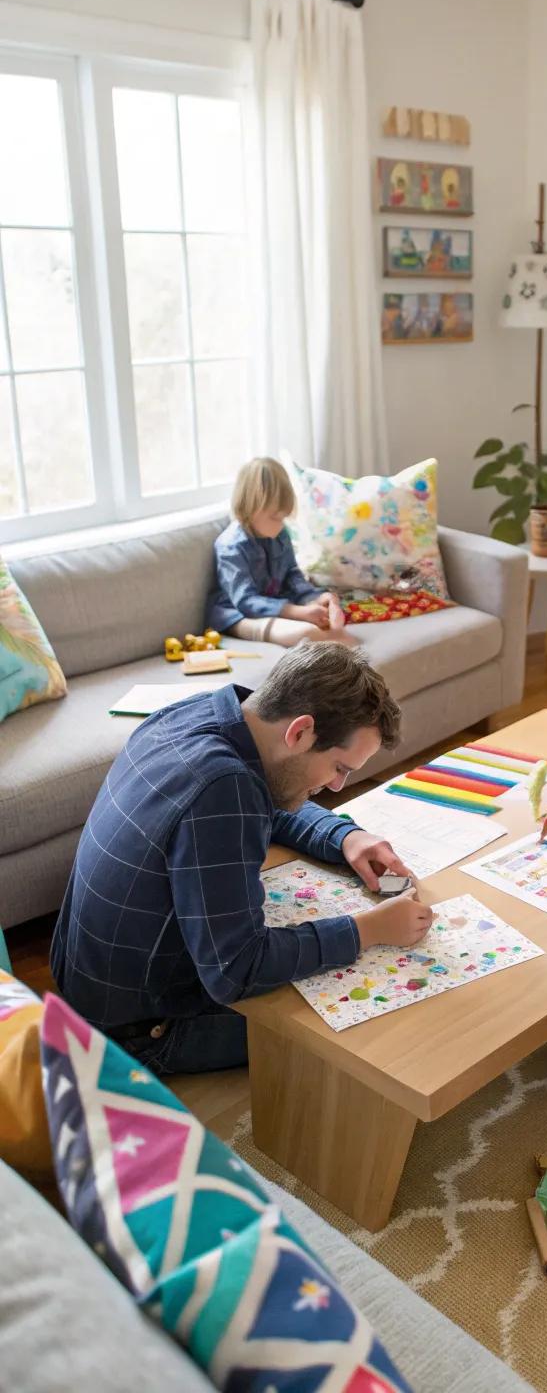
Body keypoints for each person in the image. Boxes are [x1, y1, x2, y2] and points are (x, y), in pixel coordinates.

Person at [51, 643, 433, 1075]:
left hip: (83, 982)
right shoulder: (222, 788)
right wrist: (367, 929)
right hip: (140, 1031)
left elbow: (268, 796)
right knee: (382, 1016)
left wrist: (346, 836)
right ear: (300, 732)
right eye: (339, 768)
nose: (337, 787)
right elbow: (237, 969)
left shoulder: (201, 714)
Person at [208, 456, 356, 647]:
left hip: (276, 607)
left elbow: (292, 576)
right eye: (274, 518)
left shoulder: (279, 535)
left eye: (283, 518)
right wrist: (296, 612)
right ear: (250, 508)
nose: (280, 526)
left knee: (333, 628)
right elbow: (245, 601)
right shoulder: (231, 546)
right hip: (237, 616)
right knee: (307, 634)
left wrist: (317, 598)